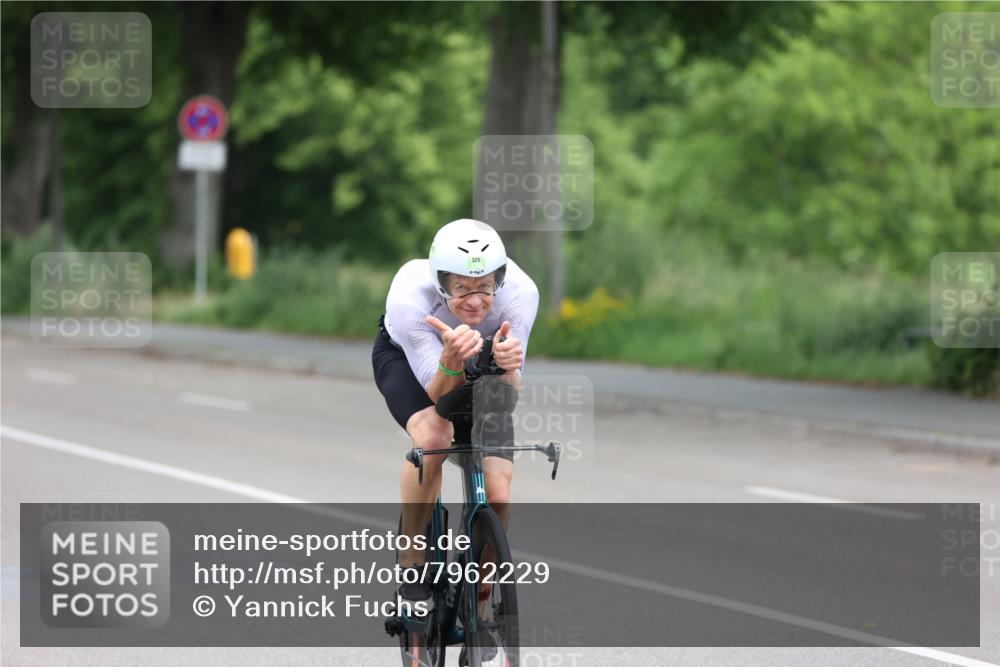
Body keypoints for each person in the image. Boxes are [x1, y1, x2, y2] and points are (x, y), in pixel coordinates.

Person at [372, 218, 539, 605]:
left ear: (500, 278)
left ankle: (481, 598)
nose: (475, 300)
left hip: (481, 358)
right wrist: (450, 359)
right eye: (461, 288)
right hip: (412, 359)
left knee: (497, 491)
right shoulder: (409, 300)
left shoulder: (521, 293)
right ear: (439, 282)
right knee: (434, 437)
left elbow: (509, 395)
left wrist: (509, 368)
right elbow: (439, 394)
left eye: (484, 287)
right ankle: (413, 560)